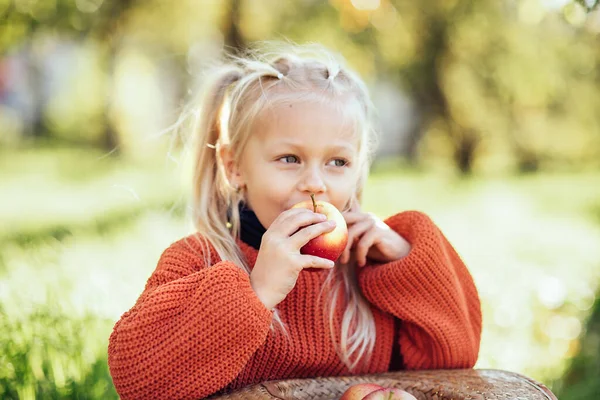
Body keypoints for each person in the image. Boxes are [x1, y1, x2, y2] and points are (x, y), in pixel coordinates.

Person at [107, 42, 482, 400]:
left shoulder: (365, 271)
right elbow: (138, 381)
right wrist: (255, 292)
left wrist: (407, 265)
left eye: (338, 162)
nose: (315, 183)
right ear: (234, 166)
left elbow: (453, 363)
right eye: (289, 158)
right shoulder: (200, 260)